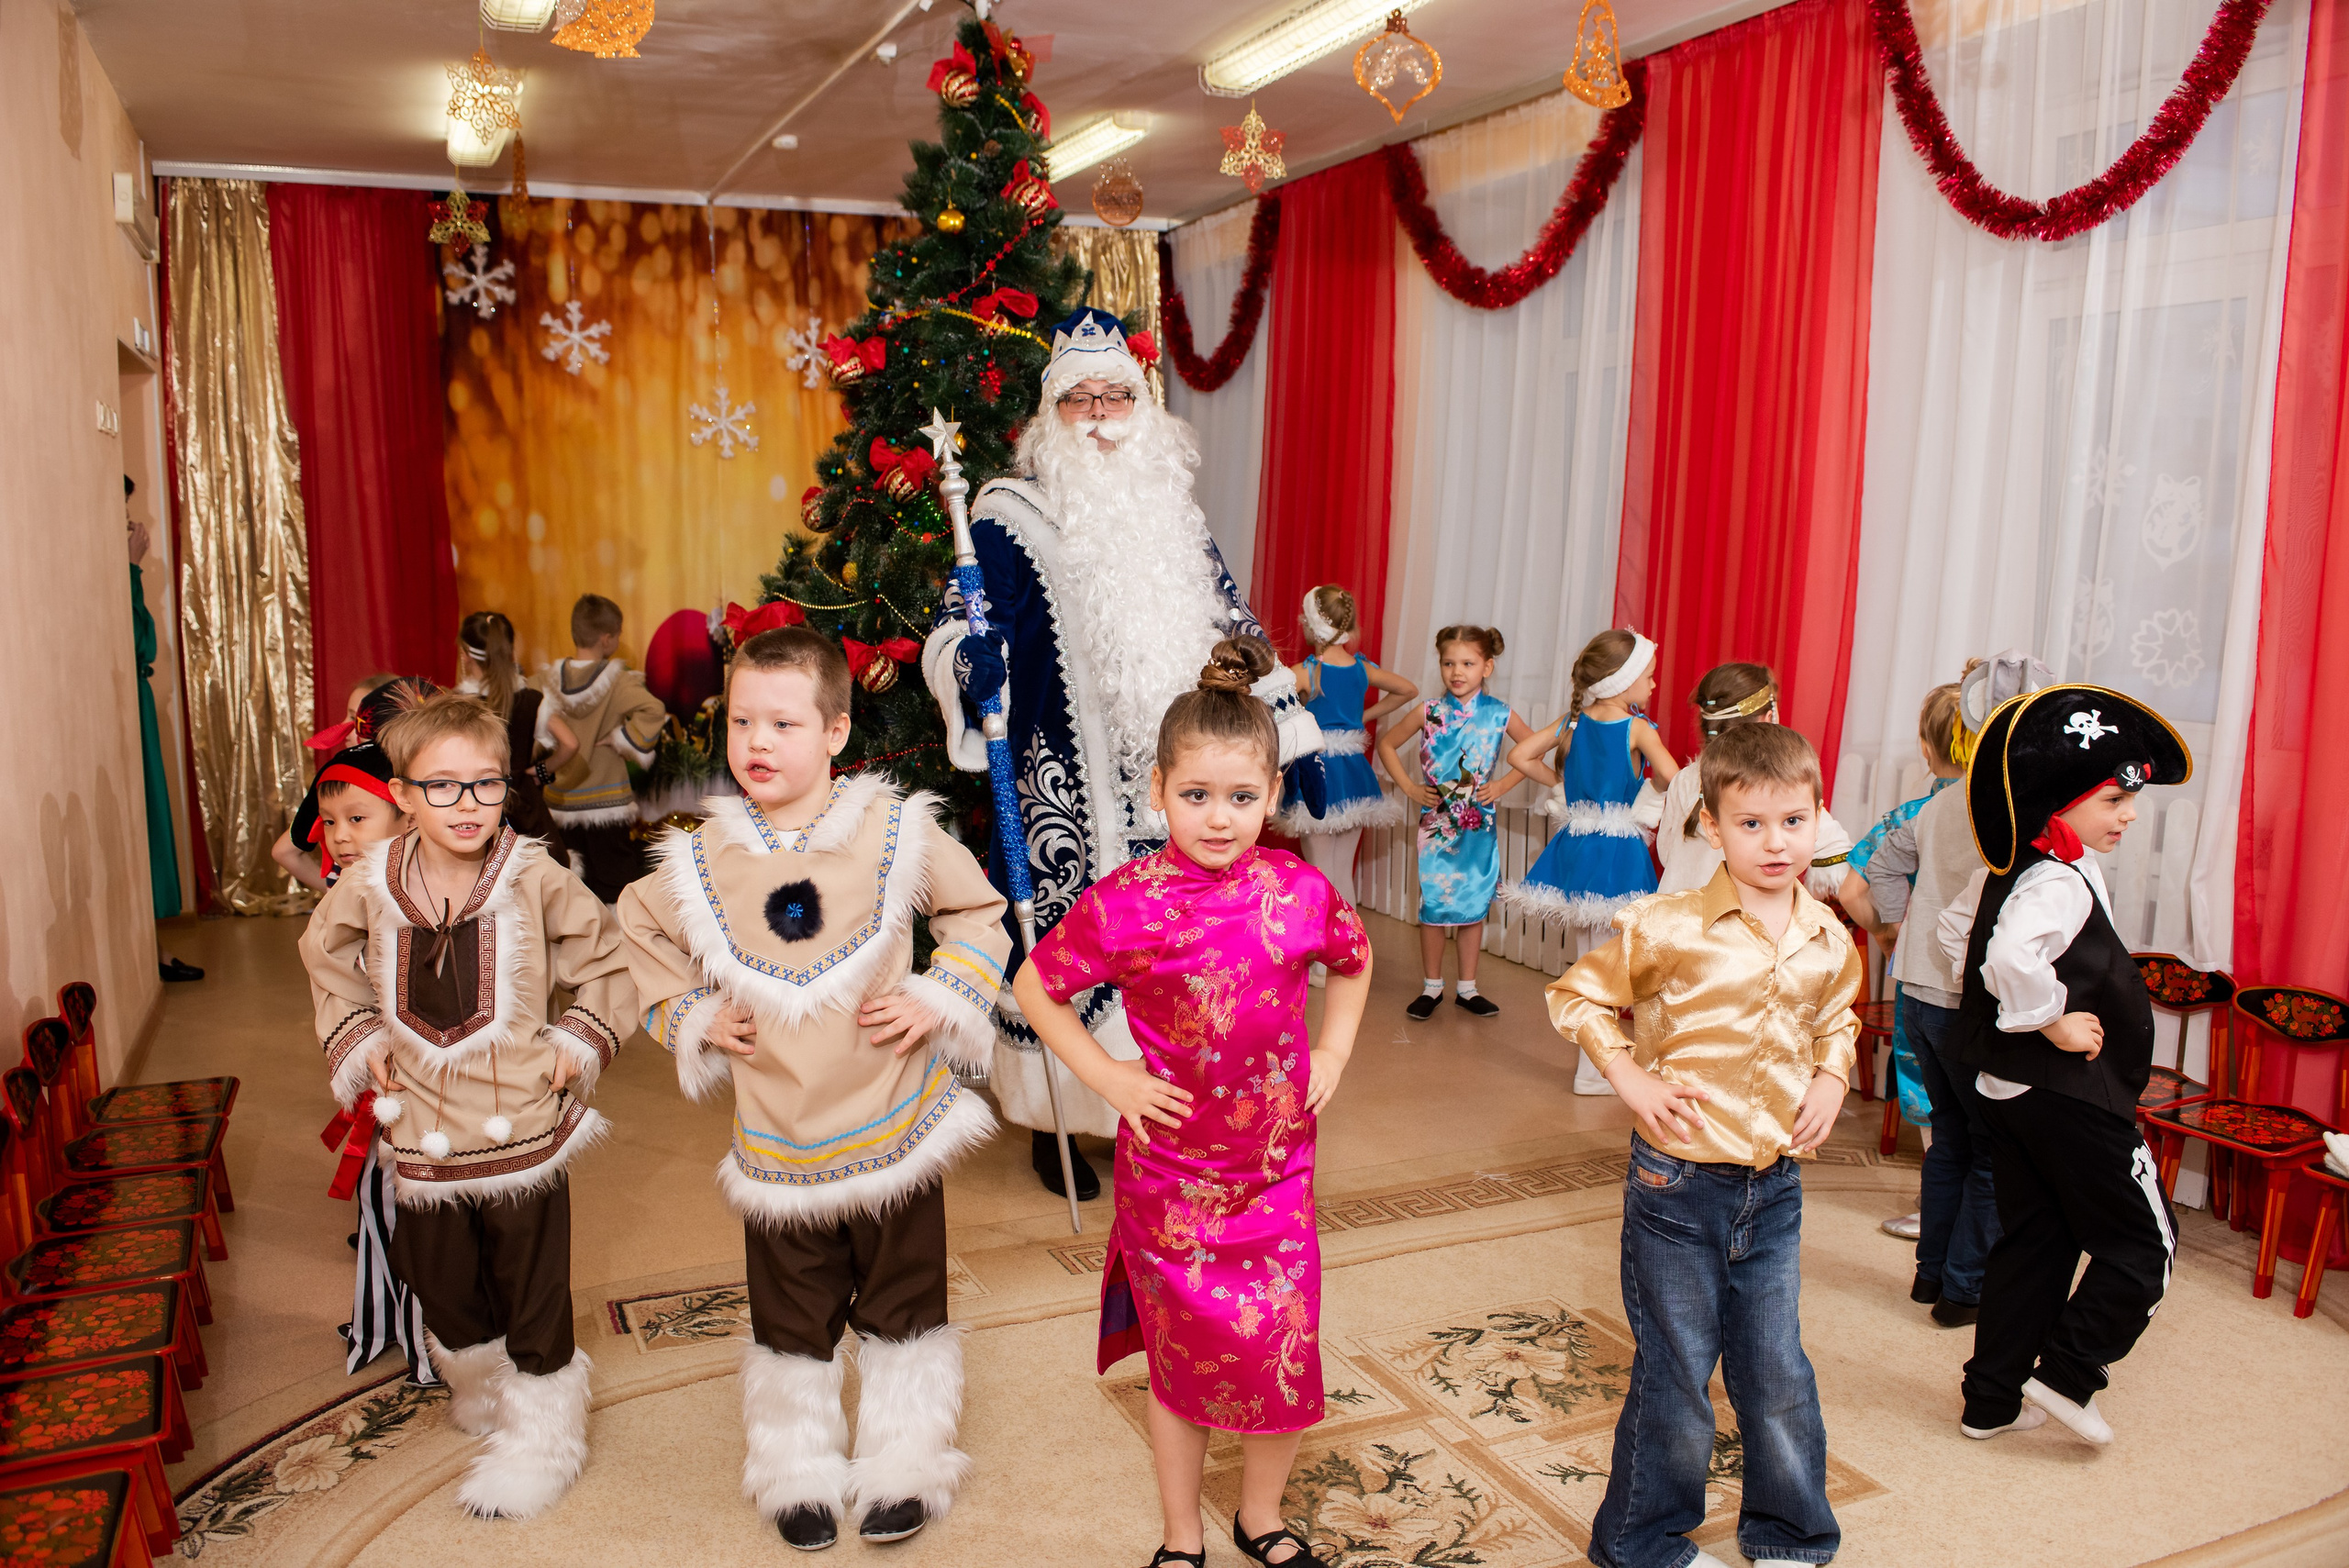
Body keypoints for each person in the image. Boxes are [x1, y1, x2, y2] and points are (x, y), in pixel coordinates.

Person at [618, 628, 1011, 1551]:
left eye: (783, 722)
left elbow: (976, 909)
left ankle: (904, 1461)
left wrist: (939, 991)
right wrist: (691, 1016)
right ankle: (794, 1465)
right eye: (742, 720)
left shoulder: (897, 829)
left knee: (902, 1299)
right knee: (789, 1309)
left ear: (834, 731)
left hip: (893, 1121)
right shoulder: (702, 852)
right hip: (779, 1136)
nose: (757, 740)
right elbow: (635, 931)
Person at [922, 306, 1321, 1200]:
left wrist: (1292, 726)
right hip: (1067, 778)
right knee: (1070, 949)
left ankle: (1171, 1118)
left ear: (1142, 408)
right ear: (1048, 415)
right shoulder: (1005, 515)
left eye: (1116, 395)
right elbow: (964, 624)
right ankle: (1053, 1122)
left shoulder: (1168, 508)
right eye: (1079, 399)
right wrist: (970, 661)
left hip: (1179, 783)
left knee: (1182, 953)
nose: (1100, 413)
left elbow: (1233, 620)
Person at [1011, 637, 1372, 1568]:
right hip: (1169, 1177)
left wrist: (1332, 1044)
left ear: (1272, 794)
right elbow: (1035, 986)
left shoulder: (1297, 889)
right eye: (1196, 796)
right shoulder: (1126, 901)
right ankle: (1181, 1533)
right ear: (1159, 791)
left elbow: (1355, 956)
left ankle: (1260, 1514)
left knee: (1280, 1347)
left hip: (1275, 1171)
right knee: (1182, 1363)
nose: (1218, 817)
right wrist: (1110, 1077)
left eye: (1242, 797)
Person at [298, 689, 635, 1518]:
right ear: (403, 796)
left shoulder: (533, 873)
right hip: (418, 1130)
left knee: (533, 1285)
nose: (467, 804)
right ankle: (484, 1390)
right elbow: (324, 955)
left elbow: (608, 959)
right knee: (441, 1282)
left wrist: (580, 1040)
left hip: (523, 1121)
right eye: (441, 786)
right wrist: (357, 1038)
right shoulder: (370, 882)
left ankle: (543, 1436)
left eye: (485, 784)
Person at [1547, 721, 1860, 1568]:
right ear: (1711, 827)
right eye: (1751, 823)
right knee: (1678, 1372)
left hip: (1776, 1187)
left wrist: (1833, 1077)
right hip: (1676, 1183)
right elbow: (1575, 997)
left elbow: (1839, 1018)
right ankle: (1640, 1542)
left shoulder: (1828, 935)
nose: (1775, 841)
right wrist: (1631, 1077)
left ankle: (1791, 1534)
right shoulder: (1668, 924)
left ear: (1817, 818)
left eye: (1794, 821)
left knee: (1777, 1370)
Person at [1936, 684, 2188, 1449]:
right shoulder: (2055, 879)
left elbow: (1961, 937)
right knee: (2148, 1243)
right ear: (2059, 800)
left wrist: (2019, 1015)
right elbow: (2011, 956)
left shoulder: (2015, 869)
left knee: (2038, 1238)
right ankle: (2069, 1373)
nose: (2128, 815)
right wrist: (2049, 1019)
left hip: (2008, 1092)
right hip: (2070, 1097)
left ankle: (1992, 1398)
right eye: (2113, 798)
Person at [1867, 653, 2052, 1318]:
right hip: (1968, 1001)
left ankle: (1930, 1274)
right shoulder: (2014, 810)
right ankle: (1963, 1288)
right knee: (1988, 1151)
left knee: (1950, 1137)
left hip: (1917, 991)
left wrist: (1895, 934)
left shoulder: (1944, 801)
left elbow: (1883, 868)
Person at [1499, 629, 1679, 1082]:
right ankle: (1594, 1072)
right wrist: (1648, 791)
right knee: (1609, 967)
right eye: (1649, 677)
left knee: (1588, 962)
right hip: (1617, 855)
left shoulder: (1572, 722)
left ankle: (1595, 1066)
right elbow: (1674, 776)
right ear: (1621, 681)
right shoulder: (1635, 727)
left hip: (1577, 848)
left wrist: (1559, 786)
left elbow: (1520, 755)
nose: (1654, 686)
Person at [1844, 671, 1972, 1250]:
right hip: (1995, 980)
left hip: (1924, 976)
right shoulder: (2007, 814)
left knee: (1931, 1091)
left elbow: (1851, 891)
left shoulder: (1910, 818)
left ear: (1926, 747)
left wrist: (1891, 934)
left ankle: (1935, 1208)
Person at [1375, 626, 1533, 1021]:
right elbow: (1387, 744)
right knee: (1434, 905)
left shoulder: (1499, 713)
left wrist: (1502, 784)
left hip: (1478, 826)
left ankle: (1468, 988)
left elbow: (1534, 753)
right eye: (1449, 663)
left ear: (1488, 666)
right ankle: (1432, 987)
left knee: (1474, 903)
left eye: (1468, 663)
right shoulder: (1428, 711)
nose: (1457, 671)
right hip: (1436, 826)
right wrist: (1411, 787)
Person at [1275, 585, 1415, 924]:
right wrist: (1362, 718)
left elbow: (1267, 712)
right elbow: (1408, 689)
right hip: (1353, 775)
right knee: (1341, 874)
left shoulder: (1304, 672)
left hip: (1319, 776)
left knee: (1319, 875)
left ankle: (1322, 966)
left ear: (1310, 624)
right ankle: (1347, 958)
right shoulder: (1361, 669)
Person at [539, 593, 667, 903]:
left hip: (561, 799)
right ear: (607, 639)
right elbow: (655, 709)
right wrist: (622, 737)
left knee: (571, 880)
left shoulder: (544, 680)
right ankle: (619, 945)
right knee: (616, 881)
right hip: (607, 800)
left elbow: (528, 714)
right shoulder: (618, 682)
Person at [124, 478, 193, 977]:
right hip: (131, 700)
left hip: (139, 699)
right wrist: (130, 567)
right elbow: (137, 641)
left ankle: (153, 948)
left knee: (149, 814)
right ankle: (148, 954)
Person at [456, 609, 577, 860]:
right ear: (509, 650)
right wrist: (539, 772)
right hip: (525, 806)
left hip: (476, 804)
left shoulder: (458, 705)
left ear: (466, 655)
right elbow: (570, 743)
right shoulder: (531, 700)